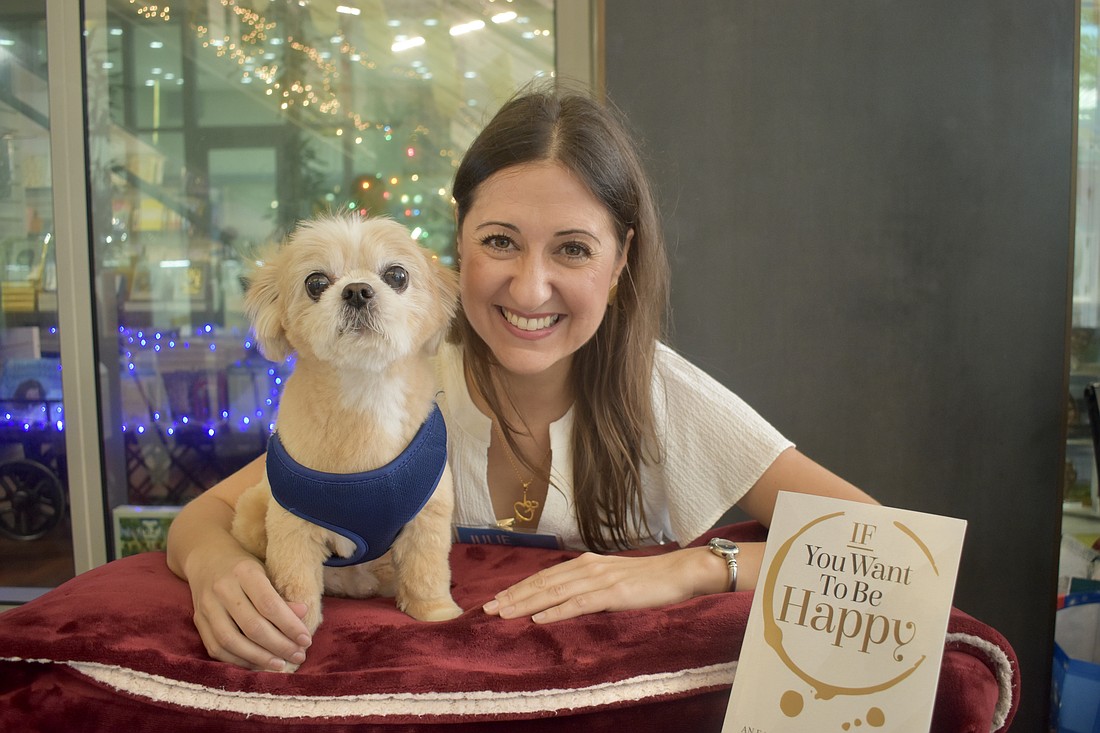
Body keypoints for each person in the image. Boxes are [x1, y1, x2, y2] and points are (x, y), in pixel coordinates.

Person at [166, 85, 876, 672]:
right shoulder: (402, 378)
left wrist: (689, 569)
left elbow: (891, 548)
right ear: (459, 243)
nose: (530, 289)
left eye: (572, 248)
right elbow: (208, 516)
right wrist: (214, 565)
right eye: (500, 241)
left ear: (621, 259)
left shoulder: (665, 398)